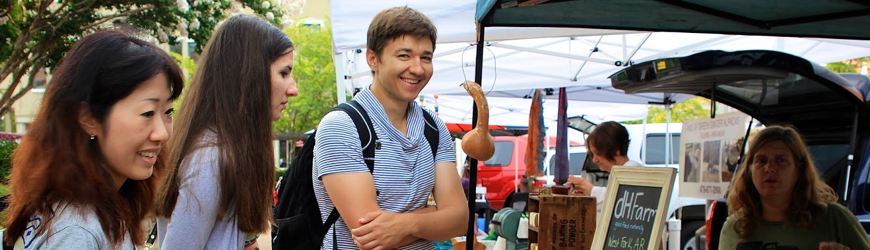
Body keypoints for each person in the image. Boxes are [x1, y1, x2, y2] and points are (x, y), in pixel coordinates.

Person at [2, 30, 183, 248]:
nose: (162, 133)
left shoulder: (102, 207)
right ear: (88, 118)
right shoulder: (77, 232)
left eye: (168, 112)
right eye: (147, 113)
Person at [313, 6, 467, 249]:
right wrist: (432, 218)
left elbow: (459, 220)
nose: (417, 68)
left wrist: (404, 225)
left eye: (425, 57)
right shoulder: (342, 126)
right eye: (404, 55)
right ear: (373, 59)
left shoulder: (433, 128)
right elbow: (370, 237)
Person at [155, 15, 297, 249]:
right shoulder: (210, 158)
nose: (293, 89)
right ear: (250, 75)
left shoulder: (225, 150)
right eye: (284, 73)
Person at [719, 125, 870, 250]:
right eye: (761, 160)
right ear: (750, 170)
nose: (770, 168)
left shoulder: (834, 219)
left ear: (799, 170)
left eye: (781, 160)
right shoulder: (734, 227)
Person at [567, 121, 639, 218]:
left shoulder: (633, 172)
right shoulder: (617, 174)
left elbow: (617, 201)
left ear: (616, 151)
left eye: (598, 153)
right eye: (592, 154)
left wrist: (586, 186)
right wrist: (586, 196)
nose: (594, 160)